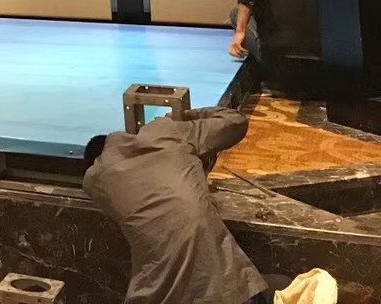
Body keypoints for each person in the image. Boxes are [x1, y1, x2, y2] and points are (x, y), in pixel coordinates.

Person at [83, 107, 270, 304]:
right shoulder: (166, 133)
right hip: (227, 292)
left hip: (156, 295)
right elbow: (236, 122)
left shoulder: (95, 183)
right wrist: (182, 116)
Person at [230, 0, 321, 91]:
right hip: (315, 62)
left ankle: (268, 75)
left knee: (236, 14)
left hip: (283, 61)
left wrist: (239, 34)